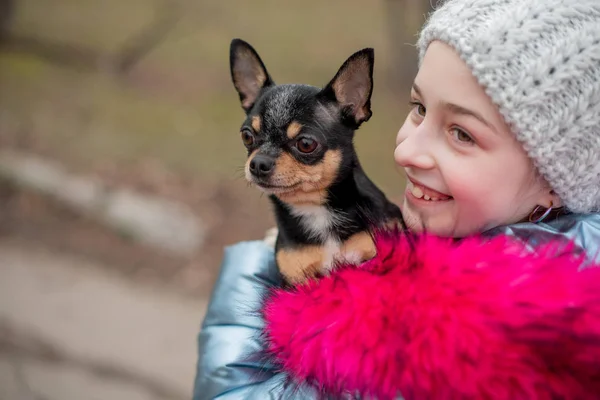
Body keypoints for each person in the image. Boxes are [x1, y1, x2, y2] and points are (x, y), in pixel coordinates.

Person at [193, 0, 600, 398]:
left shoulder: (499, 336)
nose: (404, 150)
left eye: (462, 133)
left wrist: (248, 283)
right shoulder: (427, 241)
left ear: (554, 177)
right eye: (418, 107)